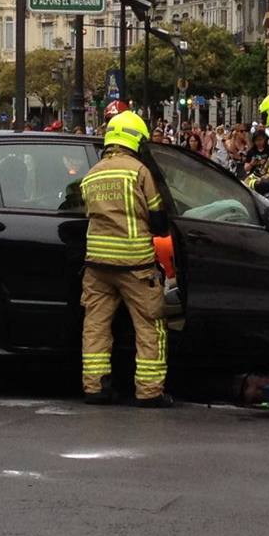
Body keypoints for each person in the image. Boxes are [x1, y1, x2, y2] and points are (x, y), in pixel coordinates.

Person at [79, 111, 172, 408]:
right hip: (135, 265)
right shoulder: (138, 171)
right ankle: (149, 392)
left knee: (95, 326)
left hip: (97, 265)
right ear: (135, 138)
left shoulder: (93, 174)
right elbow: (158, 219)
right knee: (150, 325)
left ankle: (95, 388)